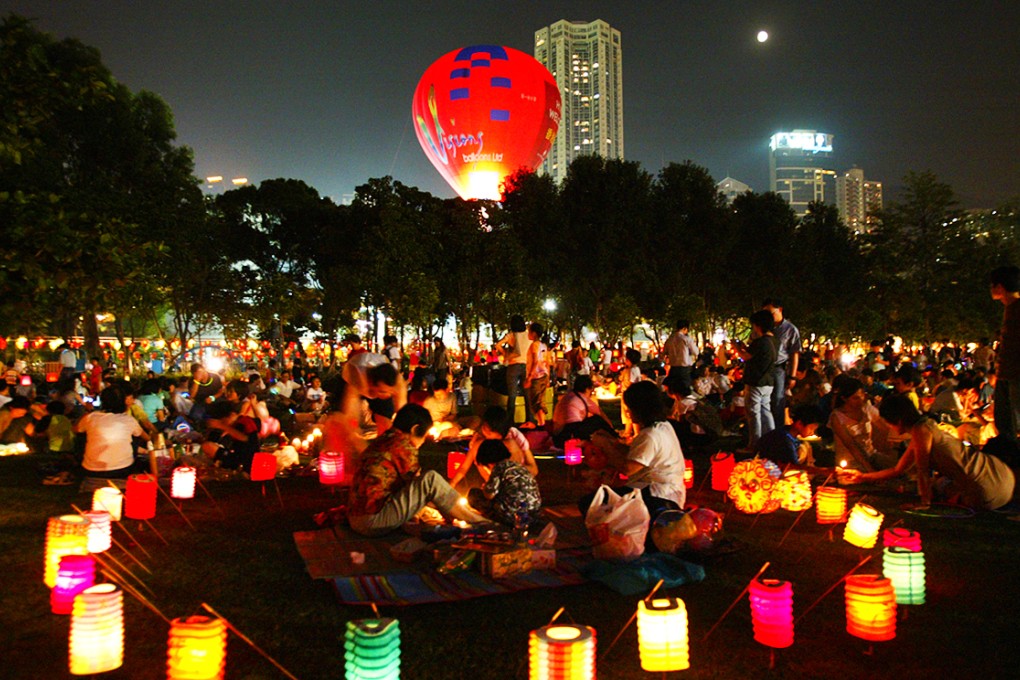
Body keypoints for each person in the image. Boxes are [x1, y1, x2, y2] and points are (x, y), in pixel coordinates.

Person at [842, 395, 1015, 511]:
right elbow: (898, 470)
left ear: (899, 421)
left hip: (987, 491)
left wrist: (924, 502)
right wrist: (861, 477)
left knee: (941, 488)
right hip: (1004, 479)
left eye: (888, 423)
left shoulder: (921, 431)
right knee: (939, 484)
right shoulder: (925, 427)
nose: (889, 427)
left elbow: (922, 470)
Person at [347, 404, 486, 537]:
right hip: (373, 521)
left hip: (355, 518)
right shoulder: (402, 445)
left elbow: (413, 492)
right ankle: (481, 522)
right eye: (424, 436)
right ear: (415, 429)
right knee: (430, 479)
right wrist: (450, 511)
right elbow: (423, 487)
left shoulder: (383, 440)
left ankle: (463, 514)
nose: (423, 442)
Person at [579, 381, 686, 522]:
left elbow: (628, 468)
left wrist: (606, 446)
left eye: (629, 408)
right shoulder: (663, 426)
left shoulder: (651, 435)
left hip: (658, 496)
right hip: (664, 490)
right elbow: (637, 454)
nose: (628, 413)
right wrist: (613, 442)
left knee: (590, 503)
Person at [451, 406, 538, 490]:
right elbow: (464, 467)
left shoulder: (513, 439)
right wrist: (452, 483)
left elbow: (534, 469)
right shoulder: (478, 440)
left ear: (501, 432)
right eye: (484, 428)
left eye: (489, 432)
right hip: (492, 485)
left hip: (515, 484)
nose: (485, 432)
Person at [75, 387, 148, 477]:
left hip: (91, 469)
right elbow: (142, 435)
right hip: (123, 468)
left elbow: (76, 429)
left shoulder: (90, 417)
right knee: (132, 439)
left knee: (83, 435)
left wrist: (88, 411)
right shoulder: (128, 420)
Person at [467, 439, 542, 527]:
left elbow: (489, 495)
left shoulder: (499, 467)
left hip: (512, 515)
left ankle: (493, 522)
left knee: (473, 494)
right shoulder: (518, 466)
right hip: (533, 513)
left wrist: (485, 488)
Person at [828, 376, 895, 471]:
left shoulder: (867, 409)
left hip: (871, 455)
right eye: (855, 398)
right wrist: (870, 471)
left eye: (862, 396)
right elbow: (851, 446)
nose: (861, 400)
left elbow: (886, 426)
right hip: (851, 461)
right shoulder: (837, 417)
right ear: (844, 399)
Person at [737, 310, 778, 450]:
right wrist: (744, 348)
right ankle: (771, 440)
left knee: (753, 414)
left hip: (755, 381)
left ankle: (754, 444)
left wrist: (737, 348)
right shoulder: (774, 340)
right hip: (768, 381)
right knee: (766, 412)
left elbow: (746, 357)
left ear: (758, 325)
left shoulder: (761, 341)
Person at [341, 351, 407, 436]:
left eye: (390, 392)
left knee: (385, 421)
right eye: (382, 392)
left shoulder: (398, 382)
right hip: (352, 376)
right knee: (345, 423)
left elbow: (402, 412)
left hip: (377, 380)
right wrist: (352, 431)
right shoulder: (356, 379)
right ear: (371, 384)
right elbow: (350, 411)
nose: (386, 395)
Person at [990, 265, 1020, 444]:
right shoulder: (1011, 308)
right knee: (1005, 423)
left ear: (1000, 287)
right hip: (1006, 374)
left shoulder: (1016, 309)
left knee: (1012, 423)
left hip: (1014, 375)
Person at [762, 298, 801, 427]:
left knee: (777, 401)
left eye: (771, 313)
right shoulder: (764, 327)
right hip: (763, 368)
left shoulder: (790, 329)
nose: (768, 317)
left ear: (780, 310)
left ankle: (777, 430)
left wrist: (792, 376)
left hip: (778, 369)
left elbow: (794, 353)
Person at [550, 375, 616, 446]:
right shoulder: (583, 398)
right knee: (597, 420)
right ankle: (615, 439)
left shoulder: (567, 397)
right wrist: (612, 430)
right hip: (570, 434)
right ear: (587, 389)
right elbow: (601, 415)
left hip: (557, 437)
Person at [754, 404, 824, 466]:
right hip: (768, 470)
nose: (812, 432)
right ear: (799, 424)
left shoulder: (786, 432)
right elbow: (794, 467)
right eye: (811, 428)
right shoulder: (785, 441)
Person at [203, 400, 260, 471]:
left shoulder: (243, 422)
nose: (224, 423)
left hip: (245, 460)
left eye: (223, 421)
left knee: (208, 446)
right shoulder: (235, 424)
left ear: (232, 415)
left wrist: (221, 426)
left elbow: (244, 438)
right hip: (237, 455)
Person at [497, 315, 532, 425]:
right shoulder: (529, 335)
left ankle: (510, 421)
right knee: (527, 394)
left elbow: (498, 345)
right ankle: (530, 419)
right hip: (527, 366)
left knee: (512, 395)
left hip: (513, 366)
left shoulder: (511, 335)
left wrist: (505, 354)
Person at [524, 323, 550, 428]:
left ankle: (542, 424)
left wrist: (529, 377)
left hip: (536, 376)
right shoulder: (544, 345)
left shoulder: (534, 345)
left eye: (529, 331)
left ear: (533, 333)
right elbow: (547, 362)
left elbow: (535, 361)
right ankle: (541, 423)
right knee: (540, 400)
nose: (527, 334)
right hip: (544, 375)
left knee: (536, 402)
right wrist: (548, 378)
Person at [663, 319, 698, 392]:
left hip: (673, 369)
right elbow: (696, 352)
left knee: (674, 390)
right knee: (685, 390)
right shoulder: (686, 339)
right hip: (684, 370)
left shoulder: (669, 339)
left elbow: (664, 352)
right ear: (685, 328)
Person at [619, 348, 643, 438]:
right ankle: (627, 431)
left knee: (630, 413)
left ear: (628, 360)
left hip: (629, 393)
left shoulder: (632, 370)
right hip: (630, 393)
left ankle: (636, 432)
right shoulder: (635, 369)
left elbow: (631, 383)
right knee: (627, 413)